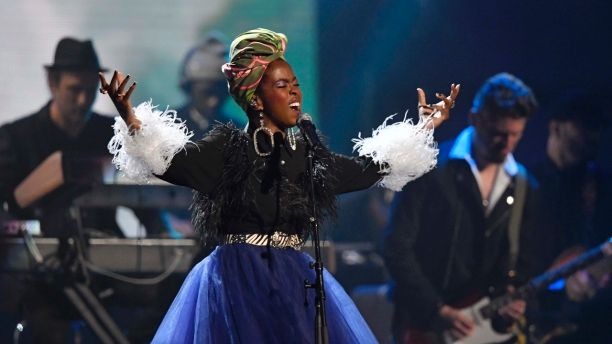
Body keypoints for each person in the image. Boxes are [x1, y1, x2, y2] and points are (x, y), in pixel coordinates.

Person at [98, 28, 459, 343]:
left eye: (296, 84)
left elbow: (364, 169)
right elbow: (172, 162)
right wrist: (131, 119)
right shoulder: (228, 149)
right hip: (236, 281)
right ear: (256, 97)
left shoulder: (307, 154)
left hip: (292, 281)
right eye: (282, 86)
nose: (294, 93)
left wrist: (423, 128)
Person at [384, 73, 546, 343]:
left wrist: (513, 298)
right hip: (424, 326)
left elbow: (526, 260)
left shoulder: (524, 186)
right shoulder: (430, 167)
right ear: (474, 119)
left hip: (483, 329)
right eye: (498, 134)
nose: (506, 144)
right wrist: (437, 309)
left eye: (515, 135)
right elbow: (395, 246)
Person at [0, 37, 117, 343]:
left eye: (90, 92)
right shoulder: (16, 138)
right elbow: (8, 205)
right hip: (38, 277)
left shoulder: (114, 135)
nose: (82, 101)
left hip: (108, 271)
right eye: (74, 91)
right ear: (52, 83)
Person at [531, 91, 612, 344]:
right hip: (535, 315)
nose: (593, 136)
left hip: (589, 320)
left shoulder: (602, 185)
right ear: (556, 127)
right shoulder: (525, 181)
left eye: (597, 127)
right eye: (585, 125)